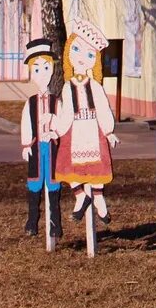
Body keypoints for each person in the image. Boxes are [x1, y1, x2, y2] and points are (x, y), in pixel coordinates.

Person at [54, 17, 120, 224]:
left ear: (95, 60)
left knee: (95, 168)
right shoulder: (67, 87)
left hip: (93, 128)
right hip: (75, 131)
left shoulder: (96, 87)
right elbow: (66, 112)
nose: (82, 58)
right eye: (77, 50)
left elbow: (102, 108)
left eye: (89, 54)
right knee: (69, 166)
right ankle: (81, 196)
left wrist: (109, 132)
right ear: (69, 52)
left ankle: (100, 201)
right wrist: (57, 130)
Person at [19, 38, 62, 239]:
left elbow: (62, 122)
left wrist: (55, 129)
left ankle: (55, 224)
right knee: (35, 184)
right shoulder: (31, 103)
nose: (42, 73)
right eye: (36, 69)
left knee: (53, 184)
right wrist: (27, 144)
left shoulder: (57, 102)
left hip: (52, 147)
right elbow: (27, 123)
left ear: (51, 69)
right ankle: (32, 220)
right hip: (37, 148)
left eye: (45, 68)